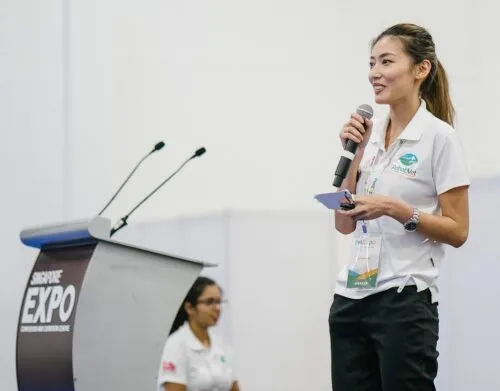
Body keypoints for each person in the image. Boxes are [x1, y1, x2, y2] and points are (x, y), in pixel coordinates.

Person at [329, 23, 470, 391]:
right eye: (372, 62)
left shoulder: (440, 137)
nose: (374, 72)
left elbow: (458, 231)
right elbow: (344, 226)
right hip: (351, 296)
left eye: (386, 61)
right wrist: (354, 158)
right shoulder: (368, 134)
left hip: (404, 299)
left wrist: (397, 208)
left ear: (420, 69)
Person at [157, 276, 240, 391]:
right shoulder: (176, 345)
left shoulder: (221, 345)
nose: (217, 308)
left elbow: (234, 386)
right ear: (190, 308)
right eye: (209, 302)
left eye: (219, 302)